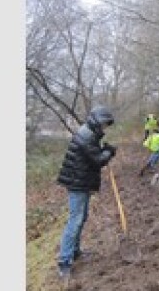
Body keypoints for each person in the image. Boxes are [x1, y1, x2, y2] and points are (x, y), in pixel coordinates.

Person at [55, 106, 118, 279]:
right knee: (75, 220)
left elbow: (94, 157)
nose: (105, 128)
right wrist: (109, 152)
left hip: (81, 181)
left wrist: (105, 149)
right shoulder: (86, 136)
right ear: (97, 121)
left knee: (81, 218)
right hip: (77, 183)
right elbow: (98, 160)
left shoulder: (90, 132)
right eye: (104, 124)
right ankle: (64, 262)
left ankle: (75, 252)